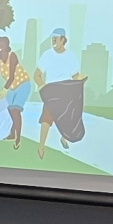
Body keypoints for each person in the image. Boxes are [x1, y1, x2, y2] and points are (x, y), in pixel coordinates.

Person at [34, 28, 86, 159]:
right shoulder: (47, 55)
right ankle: (41, 147)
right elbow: (37, 75)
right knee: (46, 119)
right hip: (52, 94)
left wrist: (80, 80)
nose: (54, 42)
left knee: (69, 118)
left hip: (67, 92)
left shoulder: (71, 56)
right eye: (52, 39)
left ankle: (64, 138)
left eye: (56, 39)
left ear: (63, 40)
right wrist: (42, 87)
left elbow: (75, 76)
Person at [0, 35, 30, 149]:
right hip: (12, 87)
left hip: (23, 84)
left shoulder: (12, 56)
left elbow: (11, 77)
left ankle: (18, 137)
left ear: (6, 47)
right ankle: (13, 133)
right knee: (10, 110)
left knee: (15, 110)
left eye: (1, 47)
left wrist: (4, 90)